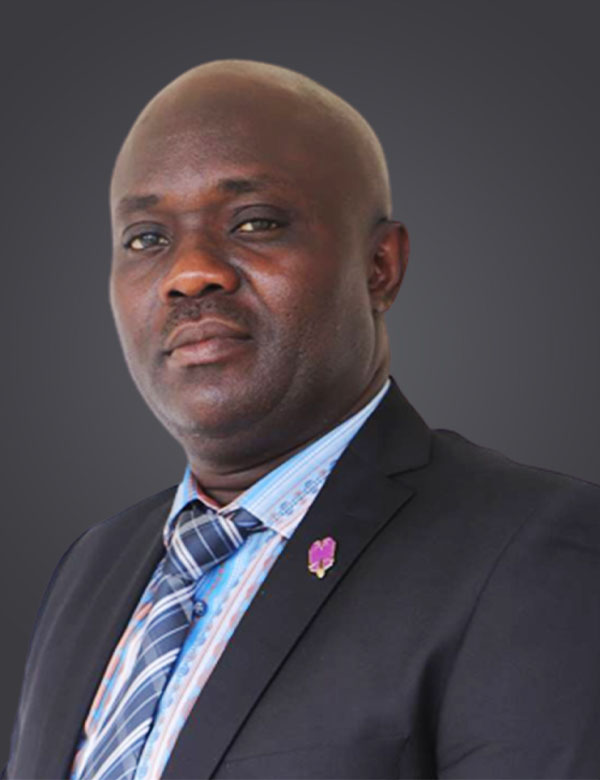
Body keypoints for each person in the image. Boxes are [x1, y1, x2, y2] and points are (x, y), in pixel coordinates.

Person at [4, 59, 600, 780]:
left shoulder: (531, 551)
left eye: (255, 222)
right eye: (146, 239)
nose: (188, 273)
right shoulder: (91, 567)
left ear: (379, 267)